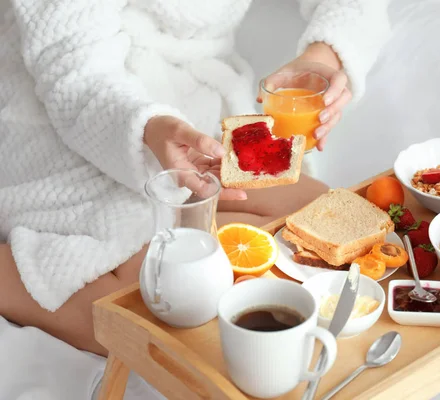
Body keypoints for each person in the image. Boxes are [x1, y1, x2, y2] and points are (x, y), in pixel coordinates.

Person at [0, 0, 391, 356]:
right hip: (70, 113)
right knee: (155, 312)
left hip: (195, 110)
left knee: (334, 228)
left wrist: (323, 55)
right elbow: (70, 65)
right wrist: (149, 129)